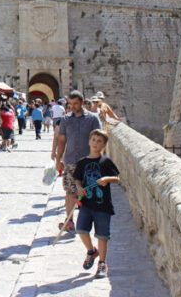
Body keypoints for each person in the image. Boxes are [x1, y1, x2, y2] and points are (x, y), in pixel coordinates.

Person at [75, 129, 120, 278]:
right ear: (89, 141)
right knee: (81, 229)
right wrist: (79, 188)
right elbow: (78, 179)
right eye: (93, 140)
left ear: (104, 145)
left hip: (102, 205)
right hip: (86, 204)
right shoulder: (82, 162)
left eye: (99, 141)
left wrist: (107, 178)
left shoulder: (106, 162)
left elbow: (117, 178)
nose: (95, 143)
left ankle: (102, 263)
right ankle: (91, 251)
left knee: (102, 235)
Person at [55, 90, 102, 234]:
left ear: (82, 103)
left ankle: (87, 222)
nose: (73, 106)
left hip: (88, 162)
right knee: (70, 191)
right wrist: (58, 159)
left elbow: (100, 139)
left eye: (75, 103)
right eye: (70, 104)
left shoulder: (93, 119)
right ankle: (69, 222)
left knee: (88, 193)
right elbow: (62, 141)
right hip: (70, 161)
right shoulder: (65, 120)